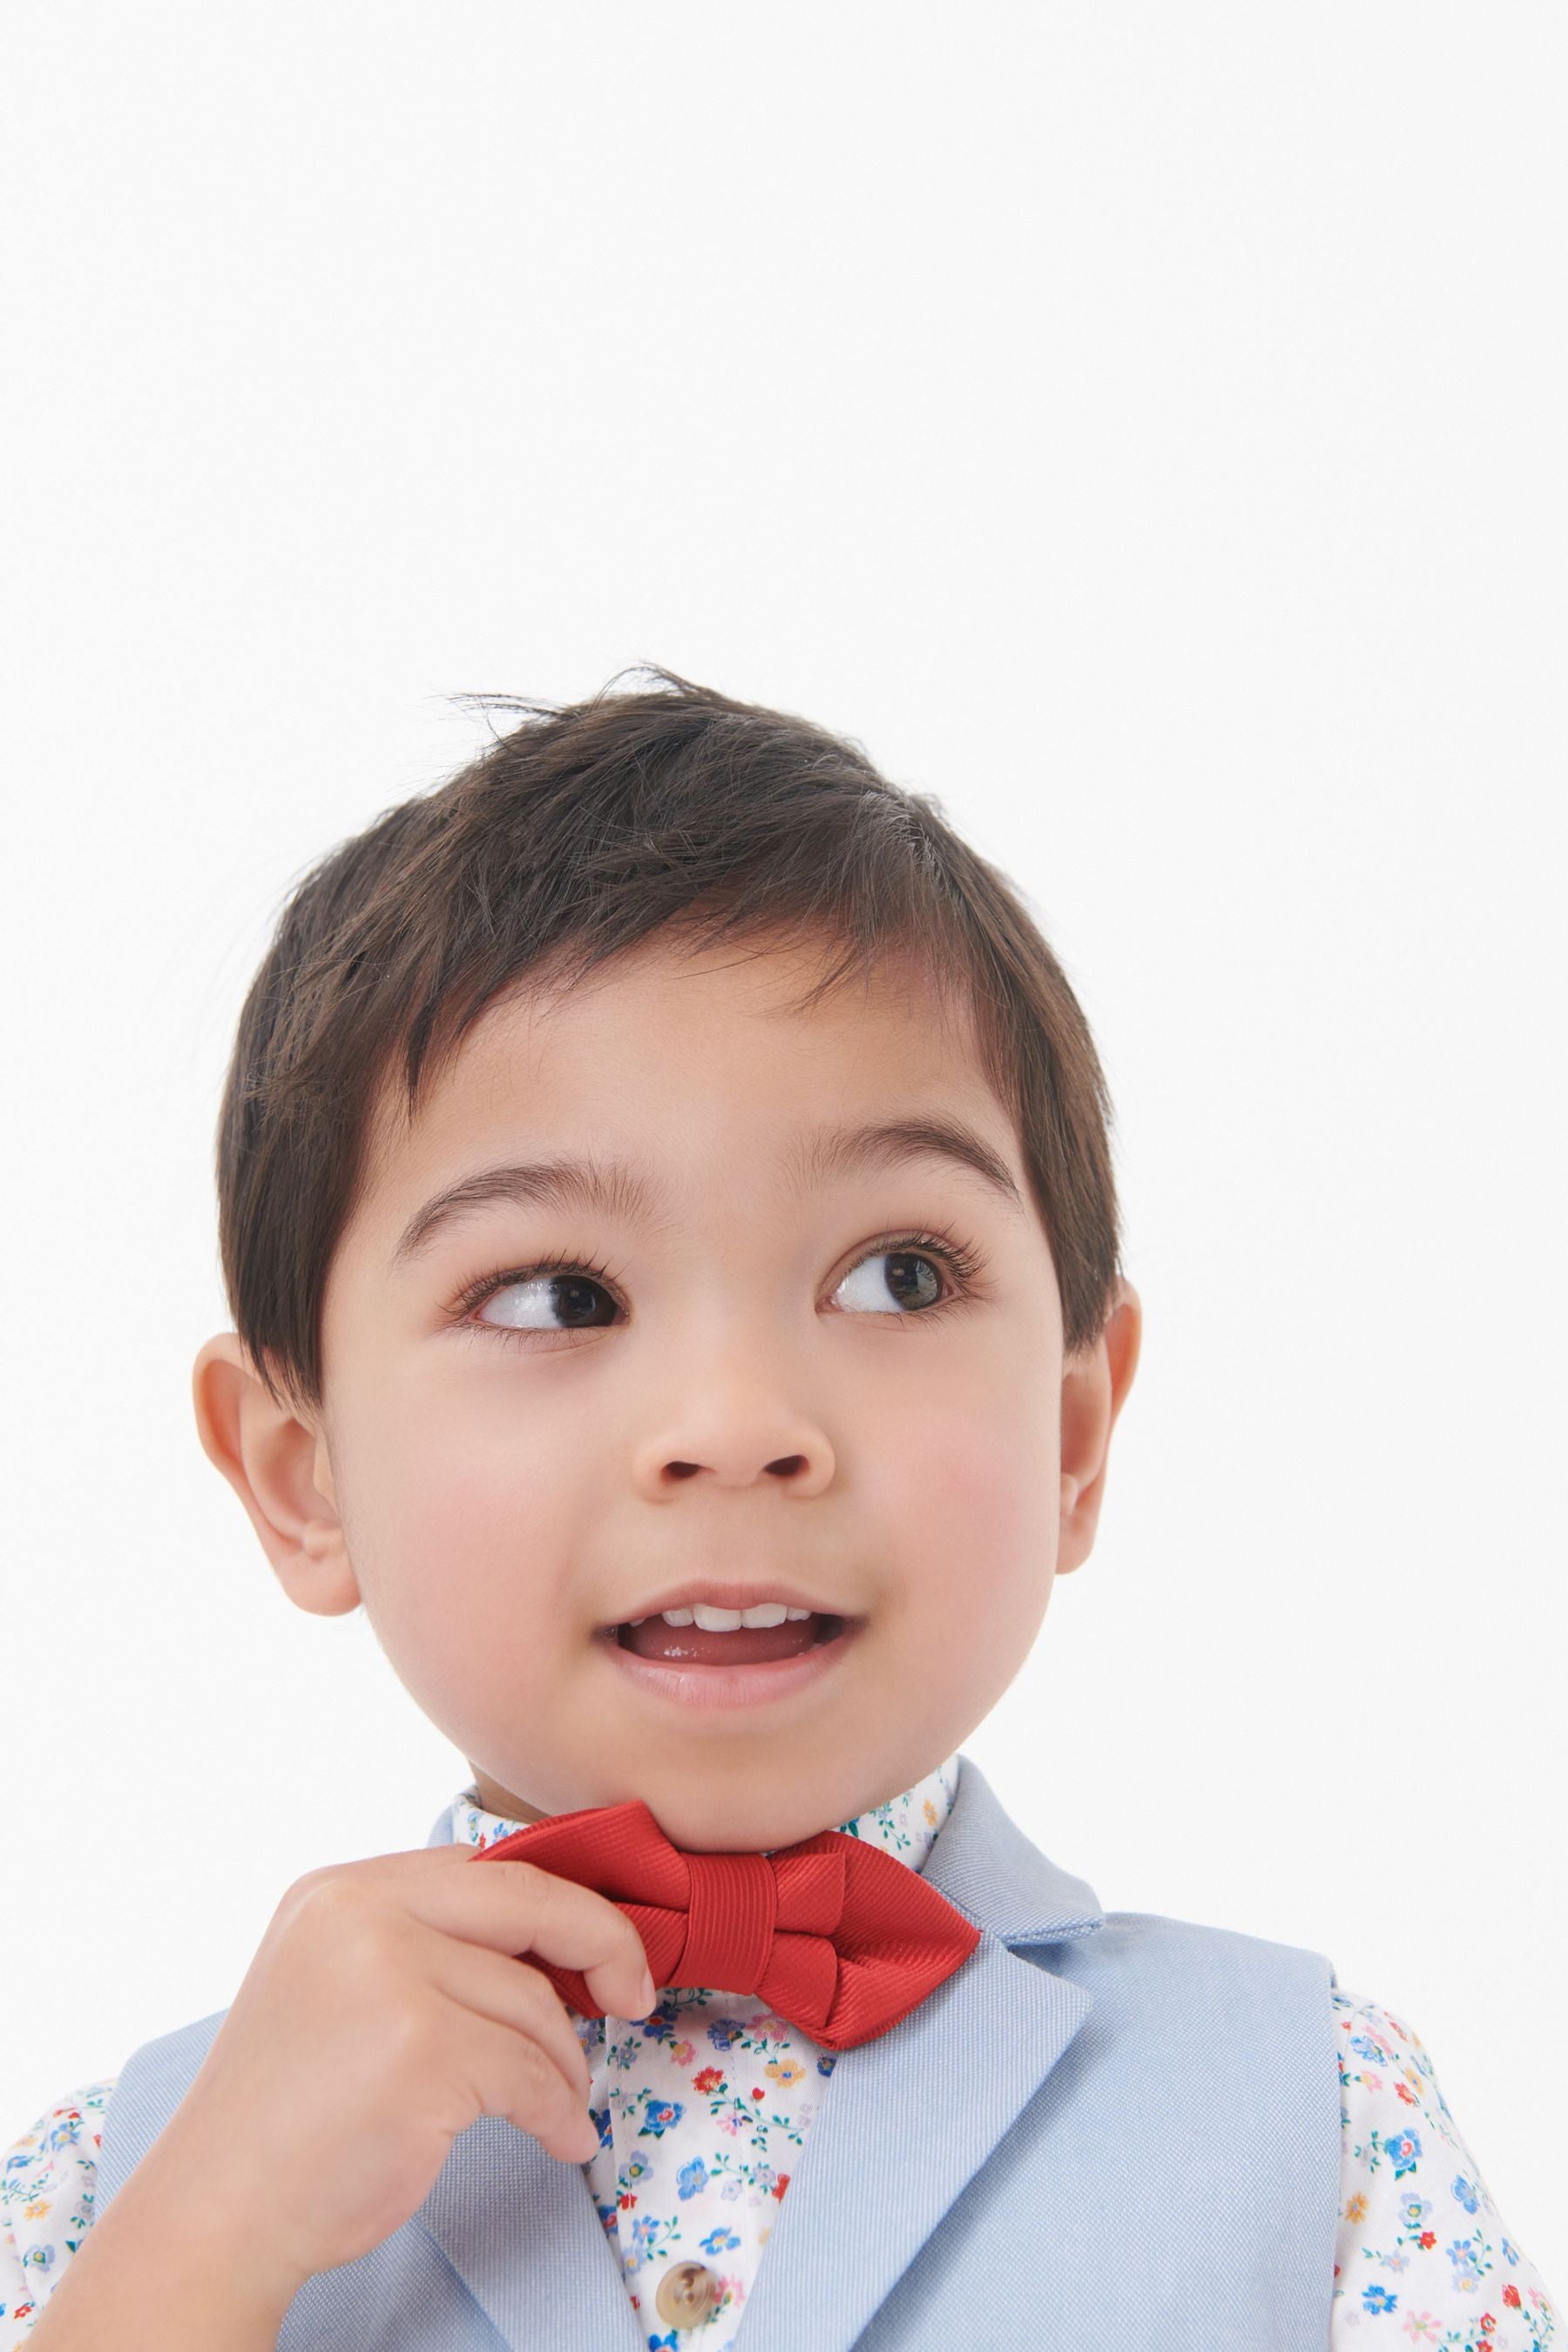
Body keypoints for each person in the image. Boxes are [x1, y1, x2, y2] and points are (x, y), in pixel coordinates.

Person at [2, 674, 1554, 2350]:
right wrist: (206, 2244)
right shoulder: (116, 2194)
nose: (739, 1429)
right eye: (554, 1297)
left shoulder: (1316, 2119)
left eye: (898, 1275)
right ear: (301, 1476)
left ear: (1071, 1434)